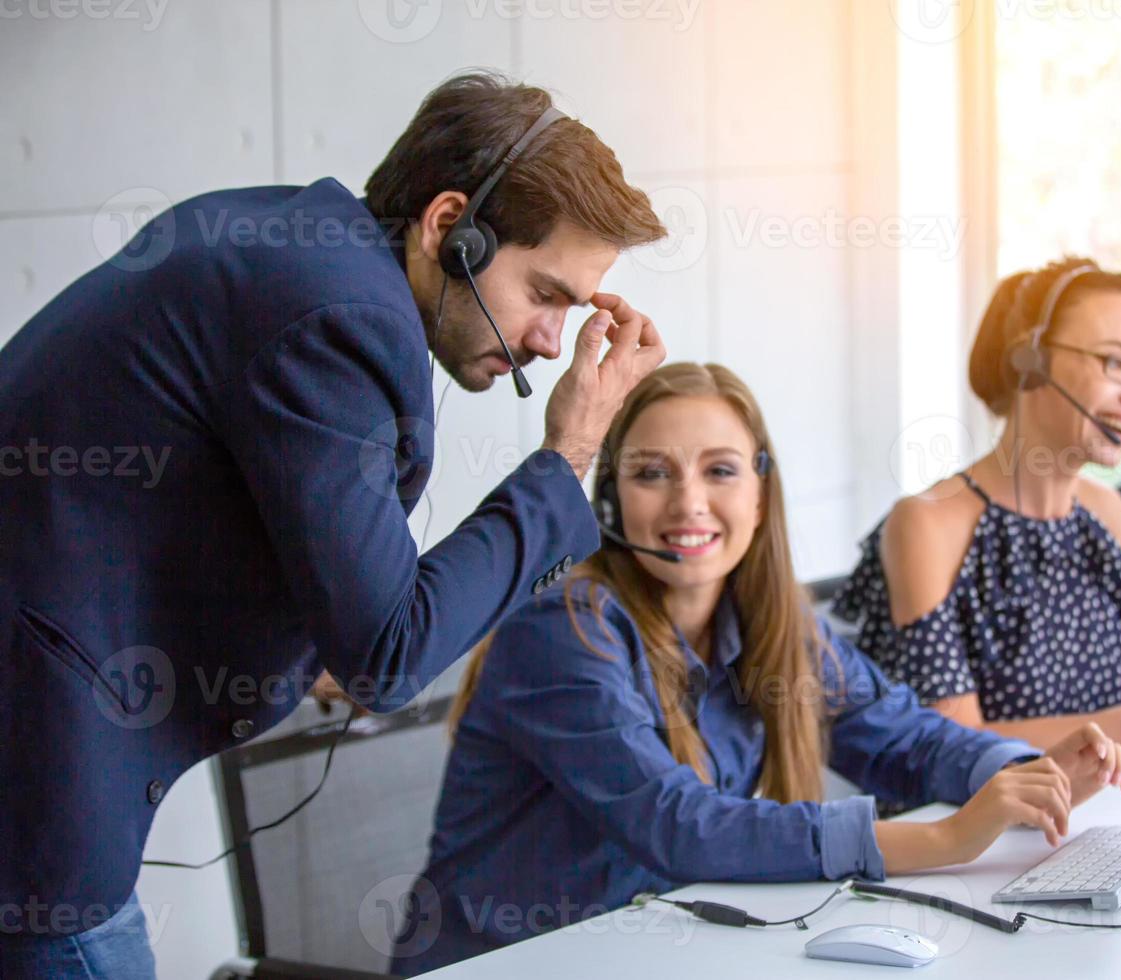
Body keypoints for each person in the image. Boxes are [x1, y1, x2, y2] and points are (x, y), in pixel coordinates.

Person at [0, 71, 666, 978]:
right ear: (448, 227)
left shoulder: (296, 243)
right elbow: (384, 657)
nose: (553, 341)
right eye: (546, 293)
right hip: (35, 801)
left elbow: (193, 519)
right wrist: (568, 451)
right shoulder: (337, 320)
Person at [390, 363, 1121, 973]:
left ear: (760, 490)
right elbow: (677, 825)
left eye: (720, 471)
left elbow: (903, 737)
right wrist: (945, 840)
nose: (689, 503)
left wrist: (1029, 772)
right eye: (652, 474)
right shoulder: (561, 631)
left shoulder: (774, 627)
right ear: (611, 500)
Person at [834, 257, 1121, 752]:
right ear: (1030, 360)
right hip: (976, 826)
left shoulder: (1103, 511)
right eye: (1116, 363)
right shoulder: (926, 522)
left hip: (1097, 813)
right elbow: (957, 741)